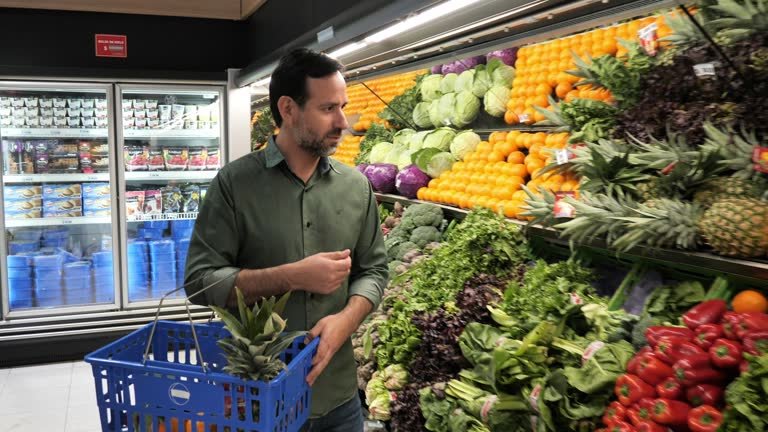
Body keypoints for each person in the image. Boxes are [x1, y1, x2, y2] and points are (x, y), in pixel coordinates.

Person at [184, 48, 389, 432]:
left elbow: (374, 270)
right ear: (288, 109)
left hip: (338, 398)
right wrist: (292, 276)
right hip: (258, 399)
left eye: (342, 106)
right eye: (328, 109)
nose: (342, 121)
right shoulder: (234, 185)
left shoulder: (356, 187)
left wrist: (346, 320)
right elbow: (200, 281)